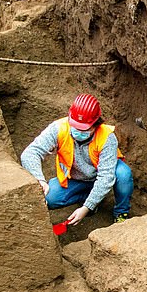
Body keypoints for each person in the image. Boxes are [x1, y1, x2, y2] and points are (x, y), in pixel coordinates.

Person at [21, 94, 133, 225]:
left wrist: (86, 208)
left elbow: (106, 177)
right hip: (75, 178)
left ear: (95, 124)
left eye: (83, 129)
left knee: (123, 174)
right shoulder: (59, 128)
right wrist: (40, 180)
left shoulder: (107, 138)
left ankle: (121, 213)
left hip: (100, 174)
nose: (78, 131)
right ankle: (90, 198)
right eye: (75, 126)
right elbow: (30, 153)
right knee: (49, 198)